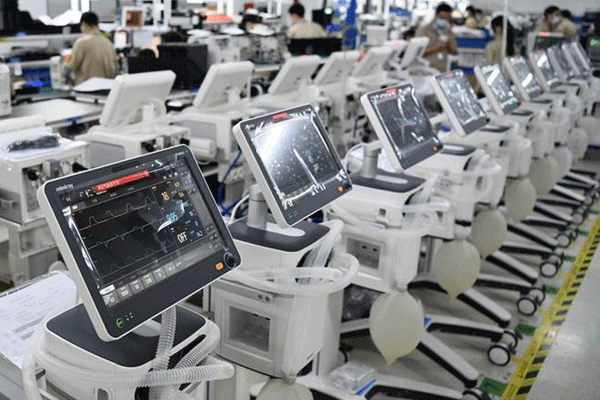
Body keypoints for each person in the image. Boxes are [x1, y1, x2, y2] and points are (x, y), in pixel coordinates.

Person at [67, 12, 118, 85]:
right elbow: (114, 69)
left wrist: (65, 61)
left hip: (85, 87)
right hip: (106, 86)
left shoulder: (81, 43)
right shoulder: (108, 43)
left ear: (84, 24)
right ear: (97, 25)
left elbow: (72, 66)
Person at [416, 3, 458, 72]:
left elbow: (455, 52)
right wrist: (437, 47)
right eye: (442, 18)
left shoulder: (449, 31)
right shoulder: (424, 30)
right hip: (426, 69)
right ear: (436, 14)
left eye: (447, 18)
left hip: (442, 68)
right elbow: (417, 52)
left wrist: (449, 44)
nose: (444, 20)